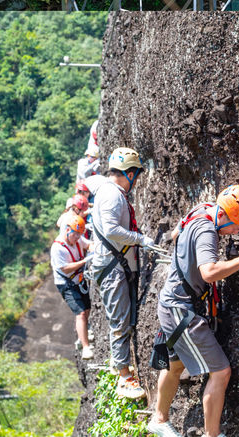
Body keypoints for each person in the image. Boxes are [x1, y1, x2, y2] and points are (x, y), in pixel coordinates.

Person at [147, 185, 239, 437]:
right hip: (181, 311)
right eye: (235, 226)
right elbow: (209, 272)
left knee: (175, 365)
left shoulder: (201, 210)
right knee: (221, 372)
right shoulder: (207, 230)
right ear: (222, 215)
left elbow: (177, 232)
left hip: (172, 303)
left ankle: (159, 419)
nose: (236, 232)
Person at [91, 147, 156, 399]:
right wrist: (140, 239)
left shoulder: (108, 191)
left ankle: (122, 367)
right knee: (119, 322)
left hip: (115, 265)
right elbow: (111, 230)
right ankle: (124, 378)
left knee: (123, 319)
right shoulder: (112, 195)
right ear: (129, 173)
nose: (137, 180)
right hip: (112, 268)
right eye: (136, 175)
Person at [50, 213, 94, 360]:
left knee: (87, 309)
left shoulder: (77, 239)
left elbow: (88, 244)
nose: (77, 238)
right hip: (66, 283)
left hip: (78, 280)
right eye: (75, 235)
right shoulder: (58, 248)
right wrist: (85, 261)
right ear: (68, 230)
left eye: (79, 235)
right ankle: (86, 347)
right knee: (80, 313)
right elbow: (65, 269)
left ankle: (82, 336)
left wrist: (95, 248)